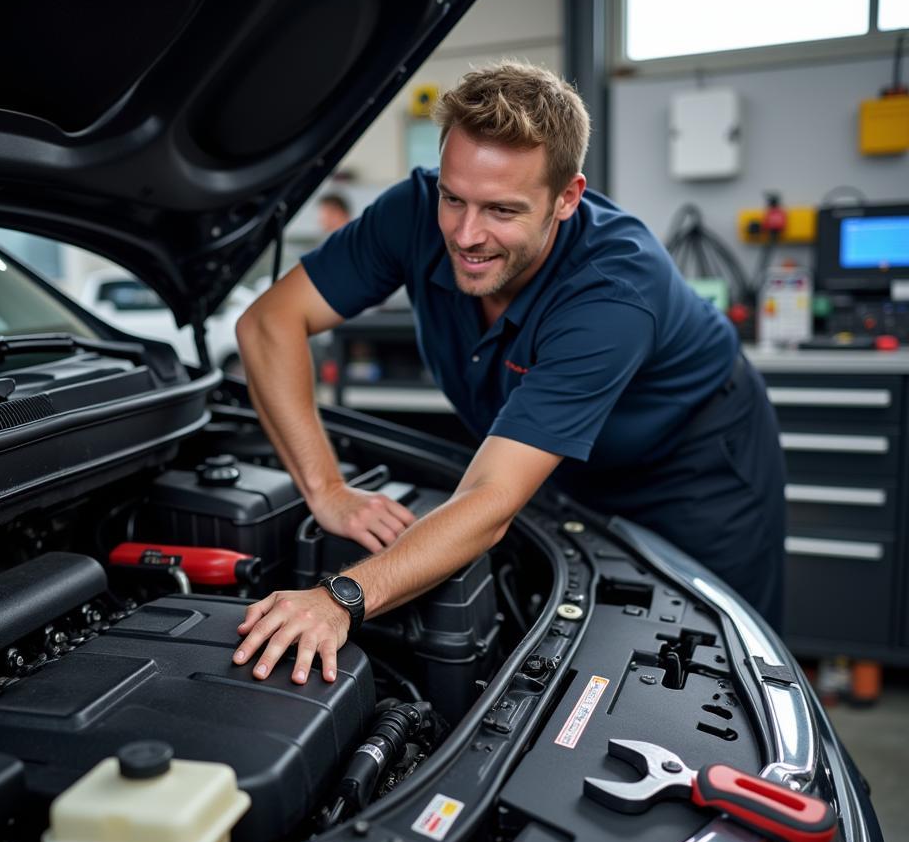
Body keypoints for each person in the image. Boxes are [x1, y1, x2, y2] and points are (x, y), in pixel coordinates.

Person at [233, 61, 785, 686]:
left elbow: (490, 501)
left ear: (567, 198)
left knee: (712, 671)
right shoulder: (413, 211)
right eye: (453, 197)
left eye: (501, 210)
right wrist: (327, 491)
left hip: (692, 472)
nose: (466, 234)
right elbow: (267, 324)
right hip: (559, 464)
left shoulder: (612, 294)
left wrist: (342, 599)